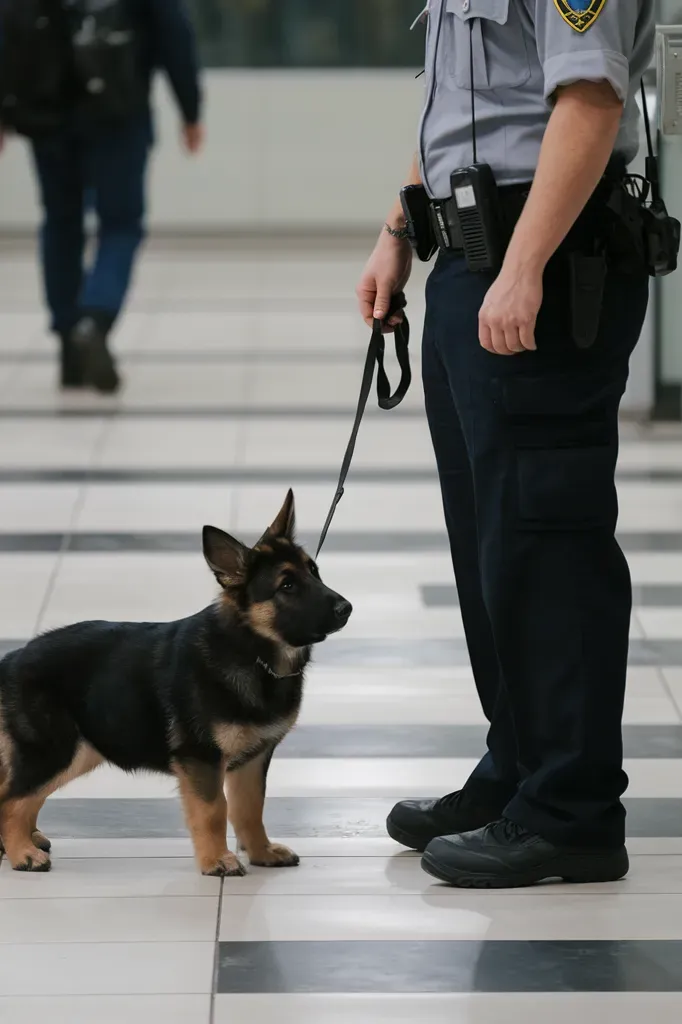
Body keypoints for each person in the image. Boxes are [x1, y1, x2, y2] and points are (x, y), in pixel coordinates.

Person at [357, 0, 656, 888]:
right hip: (468, 249)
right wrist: (398, 233)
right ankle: (520, 769)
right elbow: (451, 110)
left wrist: (523, 268)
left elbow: (591, 100)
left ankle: (574, 807)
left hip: (548, 257)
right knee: (493, 545)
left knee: (546, 541)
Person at [0, 0, 203, 394]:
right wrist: (190, 110)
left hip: (48, 112)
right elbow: (173, 33)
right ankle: (94, 319)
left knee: (60, 222)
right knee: (121, 223)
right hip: (119, 113)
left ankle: (68, 345)